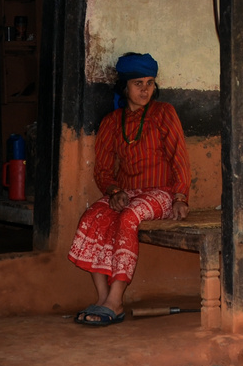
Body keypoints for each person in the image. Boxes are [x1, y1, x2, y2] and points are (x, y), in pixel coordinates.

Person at [68, 52, 191, 326]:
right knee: (92, 218)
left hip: (162, 193)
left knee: (129, 217)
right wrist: (113, 191)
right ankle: (103, 298)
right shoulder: (111, 122)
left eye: (150, 82)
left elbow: (179, 158)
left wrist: (180, 197)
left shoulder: (164, 113)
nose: (145, 89)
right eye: (138, 83)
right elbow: (102, 171)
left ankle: (116, 299)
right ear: (125, 87)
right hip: (127, 193)